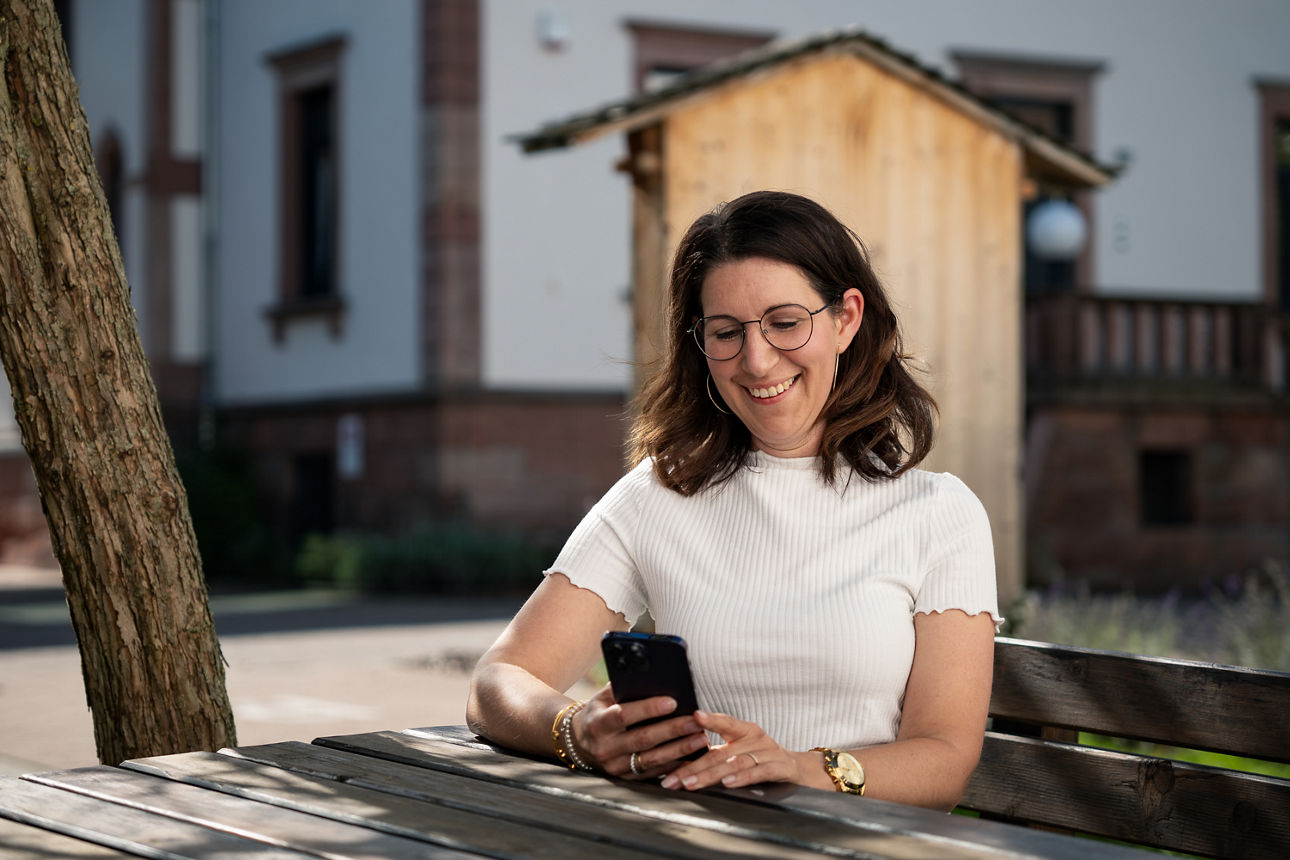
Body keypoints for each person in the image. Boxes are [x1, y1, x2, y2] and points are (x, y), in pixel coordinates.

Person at [466, 190, 1001, 811]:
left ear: (845, 319)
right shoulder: (658, 495)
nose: (755, 359)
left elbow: (943, 761)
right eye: (726, 332)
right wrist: (576, 732)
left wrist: (801, 770)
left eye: (785, 322)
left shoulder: (939, 514)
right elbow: (496, 683)